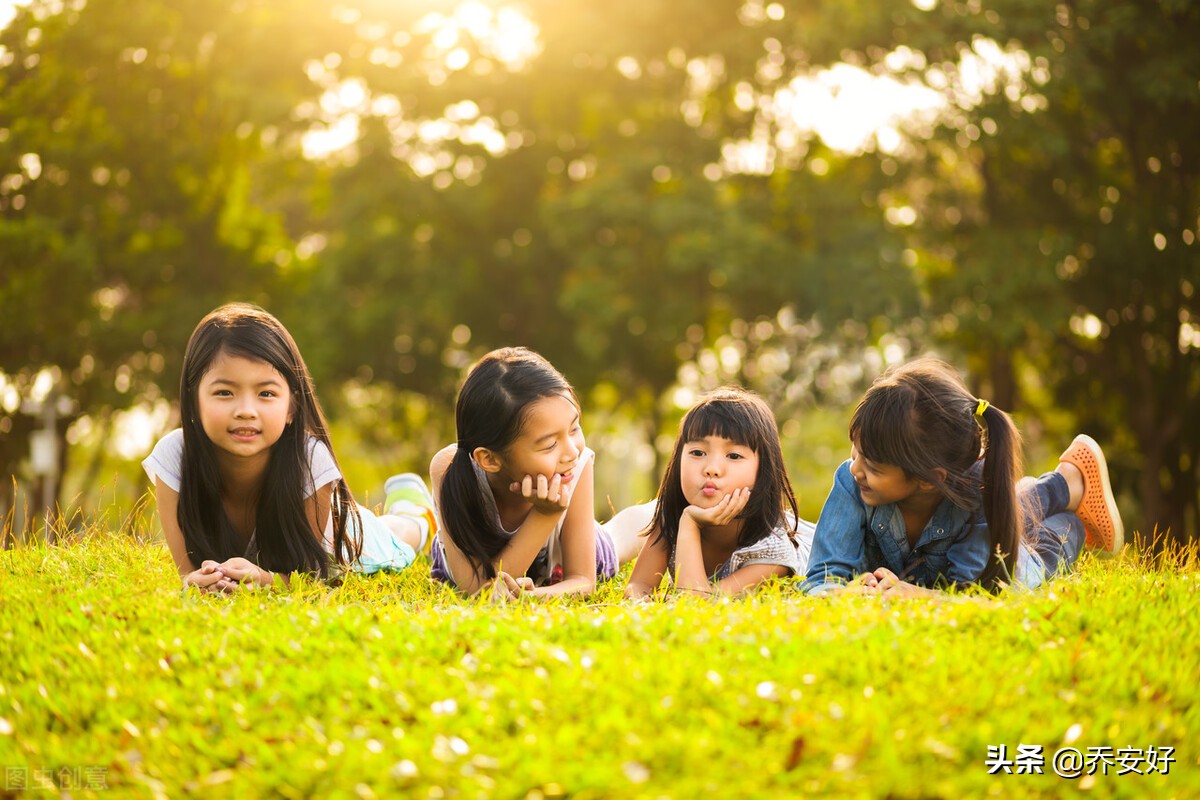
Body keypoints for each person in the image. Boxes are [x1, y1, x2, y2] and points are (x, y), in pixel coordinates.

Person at [143, 303, 436, 592]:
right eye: (224, 392)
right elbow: (187, 574)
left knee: (396, 535)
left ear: (292, 407)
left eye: (266, 393)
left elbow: (313, 579)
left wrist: (267, 582)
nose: (246, 410)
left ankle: (416, 512)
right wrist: (196, 581)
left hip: (338, 539)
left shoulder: (309, 461)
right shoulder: (174, 456)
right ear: (194, 400)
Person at [800, 358, 1124, 597]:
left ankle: (1072, 501)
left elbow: (980, 594)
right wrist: (847, 593)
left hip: (1016, 558)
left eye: (873, 467)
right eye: (854, 452)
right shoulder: (852, 481)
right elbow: (822, 577)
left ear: (929, 479)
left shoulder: (978, 493)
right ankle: (1055, 486)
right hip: (986, 504)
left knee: (1044, 551)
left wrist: (920, 597)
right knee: (1009, 507)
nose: (856, 469)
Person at [429, 347, 642, 598]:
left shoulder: (574, 464)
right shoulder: (449, 468)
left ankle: (668, 506)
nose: (572, 451)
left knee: (626, 534)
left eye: (574, 428)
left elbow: (583, 580)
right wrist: (544, 513)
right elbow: (481, 592)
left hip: (567, 550)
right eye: (550, 444)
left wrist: (533, 596)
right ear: (489, 458)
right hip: (504, 550)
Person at [622, 387, 814, 599]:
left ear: (763, 470)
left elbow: (696, 602)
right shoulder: (670, 518)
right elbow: (639, 585)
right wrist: (643, 601)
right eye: (697, 452)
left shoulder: (774, 548)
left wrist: (690, 521)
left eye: (733, 455)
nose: (712, 468)